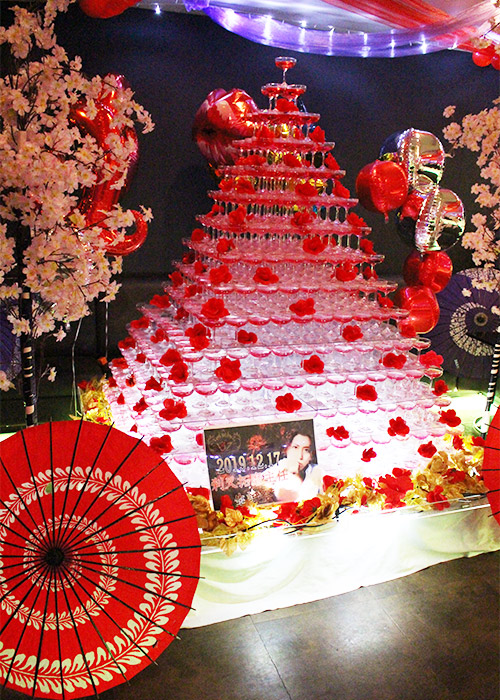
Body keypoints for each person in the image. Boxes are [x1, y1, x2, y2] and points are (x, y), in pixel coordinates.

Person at [262, 430, 322, 502]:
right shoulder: (272, 473)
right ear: (287, 449)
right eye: (295, 447)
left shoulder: (317, 471)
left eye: (306, 450)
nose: (300, 456)